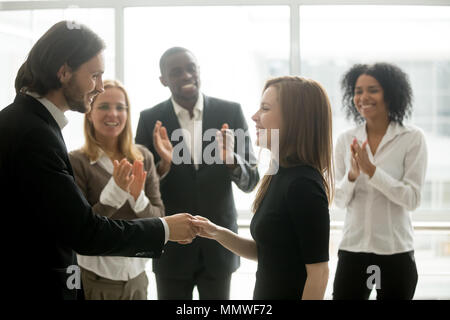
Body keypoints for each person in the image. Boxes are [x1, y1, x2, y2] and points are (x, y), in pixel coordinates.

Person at [0, 21, 196, 300]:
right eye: (94, 76)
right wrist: (164, 229)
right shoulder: (34, 134)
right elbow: (84, 231)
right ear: (64, 71)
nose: (99, 87)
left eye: (120, 107)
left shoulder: (29, 123)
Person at [135, 47, 260, 300]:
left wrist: (231, 161)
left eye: (191, 68)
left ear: (199, 70)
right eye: (176, 71)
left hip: (220, 246)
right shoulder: (149, 119)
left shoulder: (231, 112)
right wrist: (163, 166)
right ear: (163, 80)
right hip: (171, 247)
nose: (186, 75)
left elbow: (251, 181)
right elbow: (141, 188)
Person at [192, 76, 333, 300]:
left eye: (265, 108)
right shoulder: (279, 174)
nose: (254, 116)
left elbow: (319, 273)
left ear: (294, 119)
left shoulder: (303, 185)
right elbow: (268, 253)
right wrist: (216, 232)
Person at [332, 63, 428, 300]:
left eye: (372, 90)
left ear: (390, 93)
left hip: (395, 252)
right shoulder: (346, 140)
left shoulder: (412, 138)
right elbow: (339, 200)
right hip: (354, 251)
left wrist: (372, 171)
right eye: (358, 91)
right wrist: (353, 176)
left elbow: (412, 199)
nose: (363, 97)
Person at [68, 80, 164, 300]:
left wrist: (137, 198)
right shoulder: (77, 161)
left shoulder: (143, 157)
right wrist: (115, 193)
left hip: (137, 277)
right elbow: (81, 229)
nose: (113, 113)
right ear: (89, 113)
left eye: (120, 107)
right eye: (103, 106)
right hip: (95, 278)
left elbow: (158, 217)